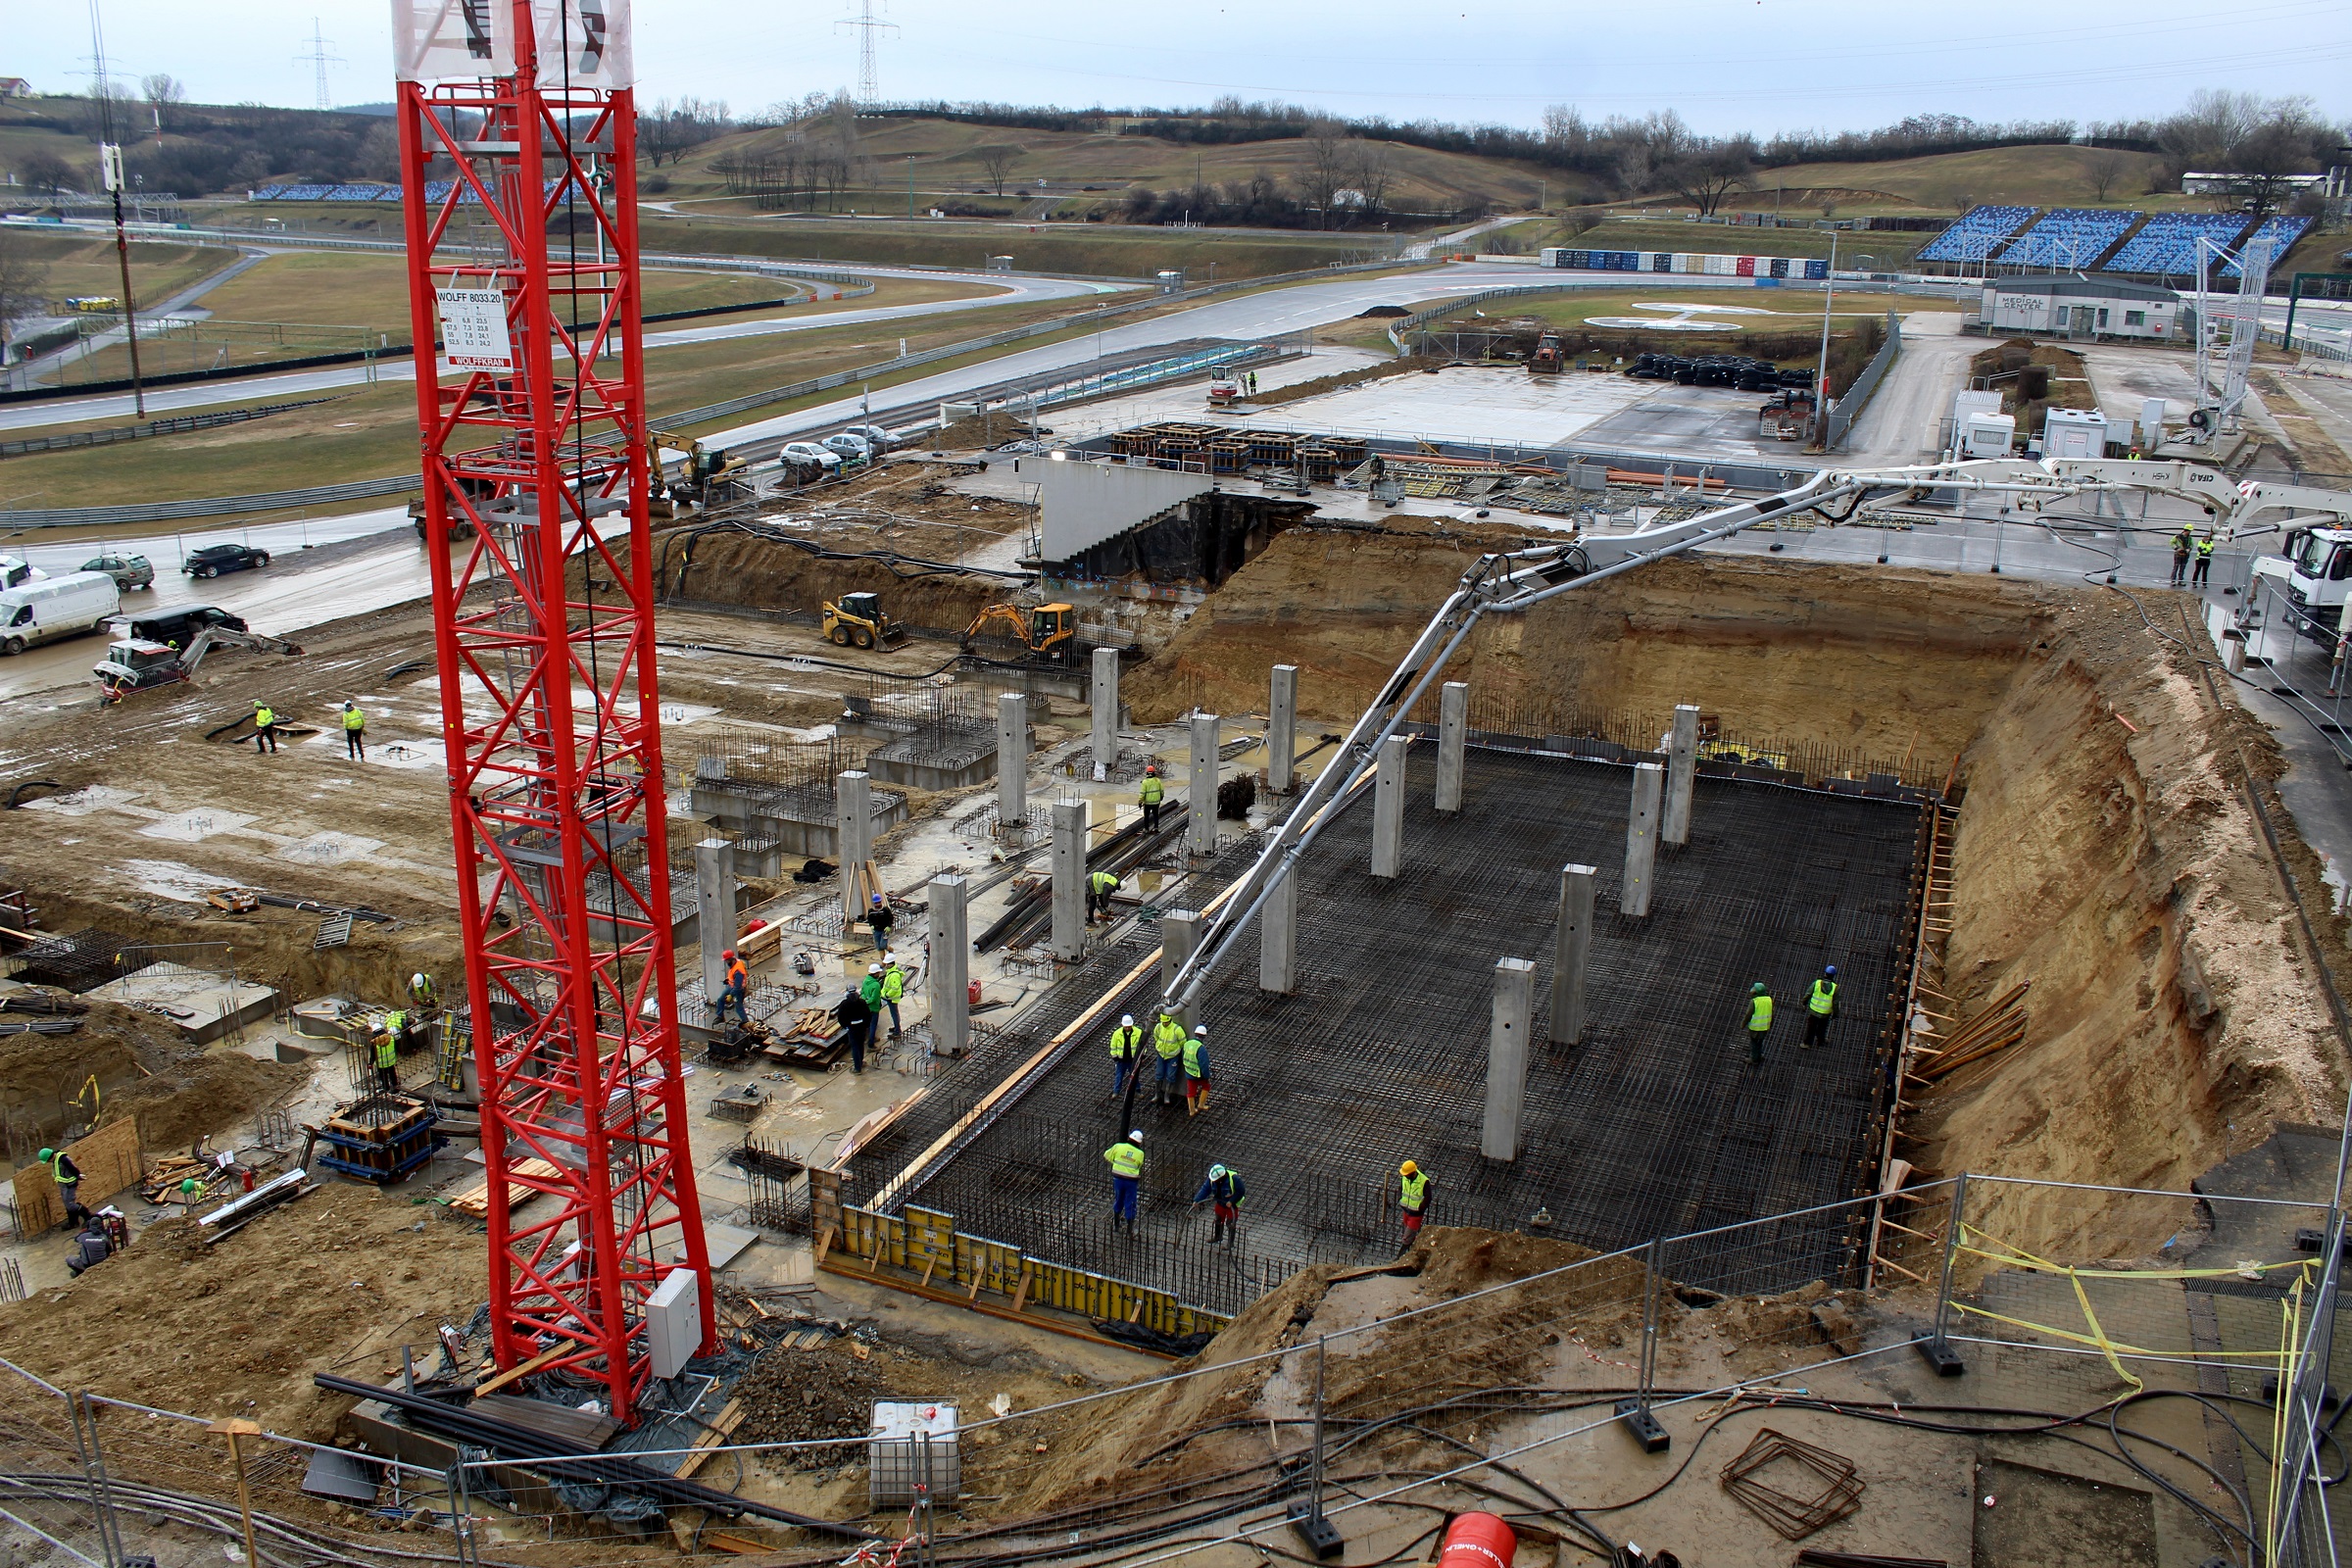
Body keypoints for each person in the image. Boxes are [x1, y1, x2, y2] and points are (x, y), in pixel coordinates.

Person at [1190, 1162, 1246, 1247]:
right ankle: (1218, 1236)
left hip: (1232, 1205)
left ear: (1221, 1177)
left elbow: (1241, 1191)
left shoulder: (1234, 1179)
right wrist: (1197, 1200)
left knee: (1230, 1223)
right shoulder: (1212, 1179)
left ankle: (1230, 1243)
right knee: (1218, 1219)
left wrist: (1232, 1201)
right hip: (1220, 1202)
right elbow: (1205, 1189)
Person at [1104, 1130, 1146, 1228]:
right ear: (1139, 1142)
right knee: (1130, 1202)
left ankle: (1116, 1223)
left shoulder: (1118, 1146)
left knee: (1119, 1198)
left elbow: (1107, 1155)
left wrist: (1116, 1162)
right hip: (1131, 1181)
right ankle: (1129, 1228)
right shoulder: (1140, 1153)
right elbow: (1139, 1166)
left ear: (1129, 1137)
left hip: (1118, 1179)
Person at [834, 983, 875, 1073]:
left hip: (852, 1028)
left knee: (855, 1047)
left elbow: (840, 1017)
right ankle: (860, 1062)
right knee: (861, 1045)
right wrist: (866, 1025)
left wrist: (846, 1026)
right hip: (862, 1027)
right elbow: (868, 1015)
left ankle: (857, 1068)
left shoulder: (844, 1004)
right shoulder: (862, 1002)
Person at [38, 1148, 82, 1227]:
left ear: (49, 1158)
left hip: (70, 1184)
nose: (48, 1162)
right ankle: (73, 1222)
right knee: (67, 1204)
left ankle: (87, 1216)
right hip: (64, 1185)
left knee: (70, 1205)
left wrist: (78, 1175)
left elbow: (72, 1168)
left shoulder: (63, 1159)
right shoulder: (56, 1160)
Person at [1152, 1011, 1187, 1105]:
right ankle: (1157, 1094)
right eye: (1163, 1022)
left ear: (1170, 1020)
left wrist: (1175, 1051)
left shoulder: (1177, 1029)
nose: (1164, 1024)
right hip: (1161, 1055)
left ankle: (1167, 1096)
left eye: (1166, 1022)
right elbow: (1156, 1036)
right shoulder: (1159, 1027)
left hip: (1172, 1056)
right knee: (1159, 1074)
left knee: (1171, 1076)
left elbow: (1183, 1042)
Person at [1802, 964, 1838, 1050]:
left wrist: (1804, 1003)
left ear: (1825, 973)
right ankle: (1820, 1040)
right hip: (1825, 1013)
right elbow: (1836, 1003)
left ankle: (1807, 1043)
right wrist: (1835, 1014)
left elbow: (1808, 994)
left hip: (1814, 1011)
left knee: (1811, 1028)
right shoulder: (1835, 988)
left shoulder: (1817, 983)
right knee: (1822, 1027)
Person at [1108, 1013, 1143, 1099]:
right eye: (1126, 1027)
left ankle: (1137, 1091)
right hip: (1121, 1060)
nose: (1127, 1028)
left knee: (1134, 1076)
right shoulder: (1117, 1033)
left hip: (1133, 1060)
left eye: (1129, 1026)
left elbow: (1142, 1044)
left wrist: (1142, 1054)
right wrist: (1114, 1056)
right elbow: (1113, 1045)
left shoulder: (1138, 1032)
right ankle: (1116, 1092)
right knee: (1119, 1076)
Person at [712, 949, 749, 1026]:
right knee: (720, 999)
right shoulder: (735, 963)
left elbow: (738, 986)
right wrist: (728, 980)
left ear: (731, 959)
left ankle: (745, 1021)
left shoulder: (738, 971)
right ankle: (720, 1016)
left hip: (738, 990)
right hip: (731, 986)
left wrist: (731, 995)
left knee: (738, 1006)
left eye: (727, 961)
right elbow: (732, 977)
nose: (726, 962)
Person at [1397, 1159, 1430, 1246]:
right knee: (1407, 1232)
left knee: (1407, 1237)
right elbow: (1401, 1188)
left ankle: (1404, 1253)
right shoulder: (1405, 1178)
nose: (1405, 1176)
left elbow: (1428, 1197)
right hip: (1406, 1210)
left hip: (1416, 1214)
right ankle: (1412, 1245)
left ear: (1412, 1173)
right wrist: (1400, 1199)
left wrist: (1420, 1208)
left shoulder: (1424, 1181)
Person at [1182, 1025, 1212, 1117]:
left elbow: (1183, 1056)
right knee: (1206, 1086)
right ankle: (1201, 1105)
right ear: (1204, 1036)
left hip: (1189, 1072)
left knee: (1191, 1092)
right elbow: (1204, 1064)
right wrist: (1206, 1076)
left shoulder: (1187, 1044)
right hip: (1199, 1074)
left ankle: (1191, 1111)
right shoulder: (1201, 1048)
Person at [1744, 981, 1773, 1068]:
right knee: (1760, 1042)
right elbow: (1772, 1013)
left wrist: (1743, 1024)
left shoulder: (1754, 1002)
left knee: (1754, 1043)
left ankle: (1754, 1059)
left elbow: (1748, 1014)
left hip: (1755, 1027)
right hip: (1765, 1027)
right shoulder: (1769, 1000)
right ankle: (1760, 1055)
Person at [879, 953, 906, 1039]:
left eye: (886, 964)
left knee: (894, 1014)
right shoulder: (891, 971)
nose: (885, 965)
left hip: (892, 998)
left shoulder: (894, 975)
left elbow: (894, 988)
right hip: (890, 997)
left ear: (890, 964)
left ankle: (897, 1031)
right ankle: (896, 1027)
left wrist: (887, 995)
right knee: (894, 1013)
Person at [373, 1018, 402, 1094]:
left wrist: (370, 1063)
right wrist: (400, 1052)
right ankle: (395, 1088)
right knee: (392, 1074)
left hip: (381, 1064)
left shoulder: (374, 1042)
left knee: (383, 1076)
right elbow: (396, 1046)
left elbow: (373, 1055)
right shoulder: (391, 1038)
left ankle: (386, 1088)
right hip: (391, 1061)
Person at [1138, 766, 1164, 833]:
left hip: (1147, 803)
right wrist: (1161, 796)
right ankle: (1156, 828)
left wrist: (1140, 801)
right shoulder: (1157, 781)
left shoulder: (1145, 782)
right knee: (1156, 815)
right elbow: (1162, 790)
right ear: (1153, 772)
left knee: (1146, 816)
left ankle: (1146, 829)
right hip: (1156, 802)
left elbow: (1142, 793)